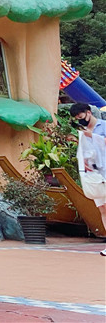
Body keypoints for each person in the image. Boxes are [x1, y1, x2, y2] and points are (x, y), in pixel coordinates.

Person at [69, 102, 106, 256]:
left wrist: (93, 137)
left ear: (88, 112)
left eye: (81, 116)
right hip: (94, 175)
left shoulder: (103, 126)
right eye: (77, 118)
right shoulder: (82, 132)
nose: (80, 120)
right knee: (103, 209)